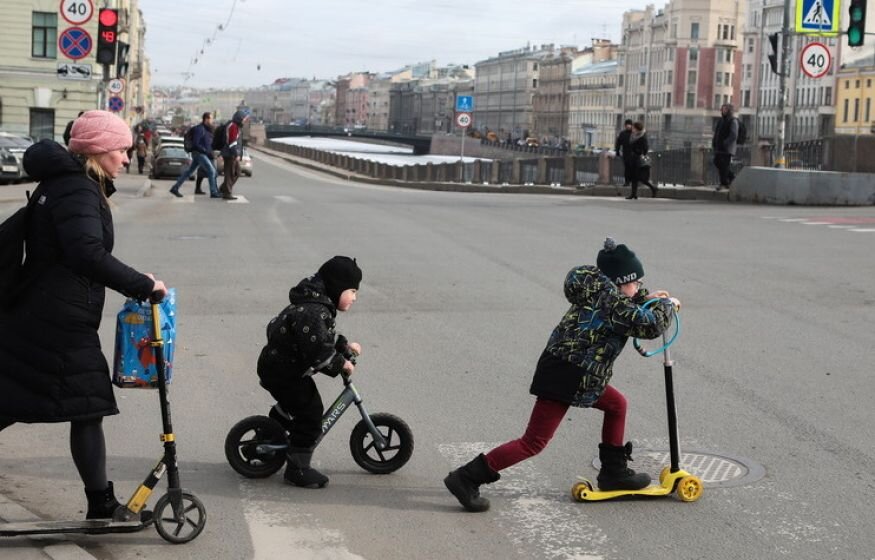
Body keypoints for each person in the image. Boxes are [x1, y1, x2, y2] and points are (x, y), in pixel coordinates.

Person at [0, 110, 168, 521]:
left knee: (42, 402)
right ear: (99, 151)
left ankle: (100, 503)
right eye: (121, 150)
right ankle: (101, 505)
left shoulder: (64, 185)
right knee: (83, 406)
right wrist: (143, 285)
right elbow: (86, 254)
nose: (128, 159)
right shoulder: (78, 191)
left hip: (46, 312)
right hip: (58, 321)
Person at [444, 238, 680, 513]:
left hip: (577, 369)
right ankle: (466, 477)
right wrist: (668, 306)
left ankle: (613, 472)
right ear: (619, 282)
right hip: (568, 373)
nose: (639, 287)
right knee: (533, 442)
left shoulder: (601, 290)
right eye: (636, 283)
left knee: (617, 405)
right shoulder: (613, 303)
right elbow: (647, 326)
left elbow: (626, 306)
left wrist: (645, 298)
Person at [256, 256, 362, 488]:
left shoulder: (318, 307)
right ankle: (298, 468)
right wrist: (340, 363)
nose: (355, 297)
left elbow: (322, 338)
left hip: (282, 368)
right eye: (352, 291)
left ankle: (269, 434)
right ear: (336, 287)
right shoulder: (313, 311)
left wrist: (343, 347)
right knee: (311, 413)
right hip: (283, 372)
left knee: (297, 404)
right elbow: (317, 350)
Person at [168, 112, 220, 198]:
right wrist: (204, 150)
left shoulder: (207, 129)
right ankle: (214, 192)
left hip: (201, 154)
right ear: (206, 119)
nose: (212, 121)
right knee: (212, 171)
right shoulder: (200, 129)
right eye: (211, 119)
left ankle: (175, 188)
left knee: (189, 172)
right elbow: (196, 143)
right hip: (199, 153)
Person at [219, 110, 248, 200]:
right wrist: (236, 154)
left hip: (231, 153)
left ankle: (223, 188)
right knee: (230, 173)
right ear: (239, 118)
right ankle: (227, 193)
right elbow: (232, 142)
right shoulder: (233, 126)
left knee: (237, 172)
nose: (244, 121)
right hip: (230, 154)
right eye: (244, 119)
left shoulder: (236, 126)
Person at [627, 122, 658, 200]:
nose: (632, 129)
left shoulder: (642, 137)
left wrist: (639, 152)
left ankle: (653, 188)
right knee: (634, 177)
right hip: (633, 159)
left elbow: (645, 148)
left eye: (633, 128)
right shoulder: (633, 136)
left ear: (637, 129)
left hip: (638, 159)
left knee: (641, 178)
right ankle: (633, 194)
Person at [712, 104, 739, 190]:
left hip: (727, 149)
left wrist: (725, 143)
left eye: (725, 109)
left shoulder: (733, 121)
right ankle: (731, 178)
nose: (723, 111)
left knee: (724, 165)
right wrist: (714, 142)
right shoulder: (721, 121)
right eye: (722, 109)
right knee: (717, 162)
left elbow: (734, 135)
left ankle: (724, 183)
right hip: (719, 147)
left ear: (729, 111)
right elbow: (717, 133)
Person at [614, 119, 634, 187]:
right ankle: (627, 181)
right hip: (626, 154)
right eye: (627, 125)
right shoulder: (622, 134)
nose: (628, 126)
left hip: (634, 154)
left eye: (630, 125)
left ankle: (632, 181)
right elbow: (618, 143)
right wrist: (617, 151)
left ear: (631, 125)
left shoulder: (634, 133)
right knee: (627, 168)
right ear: (625, 126)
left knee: (633, 168)